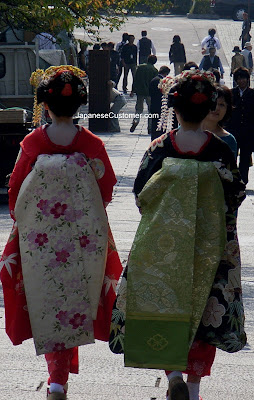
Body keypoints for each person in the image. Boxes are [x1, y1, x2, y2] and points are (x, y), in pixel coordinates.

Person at [109, 69, 246, 400]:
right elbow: (235, 195)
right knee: (205, 315)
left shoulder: (160, 148)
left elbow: (142, 192)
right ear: (209, 107)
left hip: (164, 245)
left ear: (174, 107)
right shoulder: (220, 151)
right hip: (212, 245)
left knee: (163, 308)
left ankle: (172, 375)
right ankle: (195, 387)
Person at [0, 65, 123, 400]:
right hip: (84, 237)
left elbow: (15, 189)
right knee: (76, 300)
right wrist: (88, 214)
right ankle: (59, 379)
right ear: (80, 105)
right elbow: (107, 187)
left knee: (49, 300)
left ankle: (56, 381)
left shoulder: (34, 142)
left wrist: (24, 221)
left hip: (40, 239)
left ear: (46, 105)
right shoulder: (91, 144)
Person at [226, 67, 254, 184]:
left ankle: (243, 180)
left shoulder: (252, 93)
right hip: (234, 131)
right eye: (239, 79)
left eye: (243, 78)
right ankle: (232, 179)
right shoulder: (231, 93)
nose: (241, 81)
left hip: (248, 132)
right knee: (232, 156)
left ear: (248, 79)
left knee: (245, 157)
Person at [202, 85, 237, 159]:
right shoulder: (186, 130)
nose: (217, 108)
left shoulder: (229, 140)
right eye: (213, 102)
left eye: (222, 105)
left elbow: (230, 169)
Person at [129, 55, 158, 133]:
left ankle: (136, 120)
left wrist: (132, 90)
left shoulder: (140, 67)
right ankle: (150, 127)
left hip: (140, 91)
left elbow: (135, 79)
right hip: (149, 93)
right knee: (150, 111)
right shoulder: (154, 70)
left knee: (138, 109)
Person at [149, 65, 171, 141]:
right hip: (160, 106)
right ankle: (158, 140)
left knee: (154, 124)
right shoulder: (162, 81)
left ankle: (153, 140)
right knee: (160, 125)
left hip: (153, 105)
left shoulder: (153, 80)